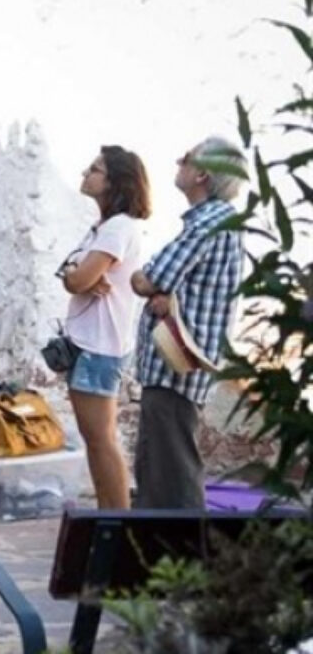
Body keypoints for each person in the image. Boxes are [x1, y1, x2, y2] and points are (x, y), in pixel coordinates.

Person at [130, 137, 245, 509]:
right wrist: (161, 292)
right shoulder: (215, 220)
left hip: (175, 366)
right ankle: (160, 540)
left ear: (203, 174)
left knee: (171, 472)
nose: (179, 162)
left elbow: (148, 280)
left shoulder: (208, 223)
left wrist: (154, 287)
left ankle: (185, 542)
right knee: (158, 468)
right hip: (177, 365)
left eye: (187, 158)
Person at [57, 146, 152, 510]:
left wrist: (77, 276)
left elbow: (78, 279)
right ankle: (108, 515)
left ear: (115, 182)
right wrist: (75, 274)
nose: (86, 173)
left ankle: (116, 518)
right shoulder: (103, 227)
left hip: (99, 347)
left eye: (95, 169)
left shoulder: (117, 228)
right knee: (96, 439)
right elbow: (70, 271)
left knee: (101, 440)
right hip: (90, 344)